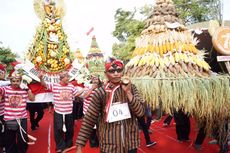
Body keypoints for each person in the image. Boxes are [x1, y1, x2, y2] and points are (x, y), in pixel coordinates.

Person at [75, 57, 146, 153]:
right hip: (109, 145)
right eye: (112, 71)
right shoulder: (100, 93)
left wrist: (128, 92)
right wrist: (80, 145)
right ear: (106, 74)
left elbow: (140, 112)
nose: (116, 74)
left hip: (130, 143)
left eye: (119, 70)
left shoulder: (132, 88)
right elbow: (89, 118)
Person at [40, 72, 84, 153]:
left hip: (69, 111)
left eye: (68, 77)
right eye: (66, 77)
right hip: (58, 111)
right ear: (61, 78)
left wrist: (83, 90)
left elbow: (75, 94)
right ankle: (60, 146)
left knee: (70, 129)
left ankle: (68, 143)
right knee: (58, 128)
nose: (68, 78)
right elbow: (45, 85)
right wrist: (41, 78)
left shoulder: (71, 86)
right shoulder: (55, 85)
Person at [0, 71, 35, 153]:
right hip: (9, 118)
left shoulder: (24, 90)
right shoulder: (5, 89)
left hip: (22, 118)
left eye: (17, 81)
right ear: (11, 82)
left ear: (20, 81)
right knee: (10, 139)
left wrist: (28, 90)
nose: (15, 83)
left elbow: (32, 99)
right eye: (13, 81)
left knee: (22, 139)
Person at [82, 75, 103, 148]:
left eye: (96, 79)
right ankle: (93, 143)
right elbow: (84, 96)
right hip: (89, 112)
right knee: (91, 129)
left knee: (101, 128)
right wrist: (92, 88)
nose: (95, 80)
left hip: (99, 112)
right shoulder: (87, 87)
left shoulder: (102, 88)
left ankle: (102, 142)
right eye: (93, 79)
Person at [0, 63, 10, 153]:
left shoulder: (5, 83)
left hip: (3, 112)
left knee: (3, 130)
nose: (4, 74)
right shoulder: (4, 83)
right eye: (3, 73)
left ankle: (3, 146)